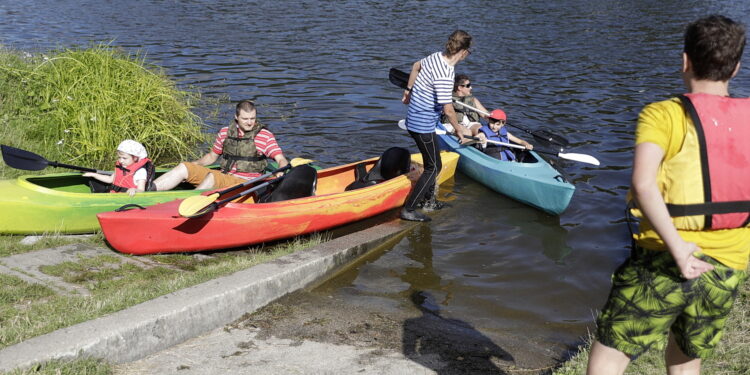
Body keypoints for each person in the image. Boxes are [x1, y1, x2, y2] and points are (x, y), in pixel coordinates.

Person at [587, 15, 750, 375]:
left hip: (662, 257)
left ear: (685, 61)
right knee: (687, 356)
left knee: (610, 356)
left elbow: (643, 185)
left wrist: (678, 248)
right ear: (736, 68)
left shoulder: (663, 114)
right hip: (727, 265)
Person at [400, 30, 472, 222]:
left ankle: (429, 201)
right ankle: (410, 209)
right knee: (433, 167)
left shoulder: (435, 57)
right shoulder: (446, 74)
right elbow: (448, 110)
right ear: (463, 51)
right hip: (422, 124)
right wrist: (459, 130)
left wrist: (408, 91)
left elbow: (415, 66)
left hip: (416, 120)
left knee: (434, 163)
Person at [154, 100, 289, 191]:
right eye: (245, 119)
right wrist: (194, 165)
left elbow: (281, 159)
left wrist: (281, 170)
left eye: (252, 118)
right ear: (236, 117)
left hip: (245, 183)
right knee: (184, 167)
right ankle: (145, 192)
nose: (249, 123)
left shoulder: (265, 135)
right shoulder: (225, 132)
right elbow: (211, 157)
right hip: (226, 176)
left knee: (213, 177)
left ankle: (186, 203)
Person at [83, 139, 155, 197]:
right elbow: (110, 179)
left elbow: (141, 190)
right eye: (119, 157)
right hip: (115, 196)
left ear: (135, 158)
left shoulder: (140, 171)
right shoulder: (122, 167)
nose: (121, 160)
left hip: (127, 198)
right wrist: (94, 175)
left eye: (124, 158)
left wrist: (134, 190)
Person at [441, 74, 489, 138]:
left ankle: (478, 144)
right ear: (460, 88)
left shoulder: (472, 99)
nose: (471, 88)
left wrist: (495, 118)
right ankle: (470, 142)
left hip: (471, 124)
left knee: (482, 130)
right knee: (467, 133)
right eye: (468, 86)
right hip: (455, 124)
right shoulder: (447, 99)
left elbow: (485, 114)